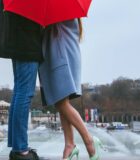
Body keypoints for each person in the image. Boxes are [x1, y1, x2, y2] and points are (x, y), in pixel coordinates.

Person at [38, 18, 102, 160]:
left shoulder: (58, 12)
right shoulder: (67, 13)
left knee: (61, 103)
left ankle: (89, 140)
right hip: (64, 54)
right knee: (61, 101)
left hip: (61, 57)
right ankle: (69, 144)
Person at [0, 0, 45, 160]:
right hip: (27, 43)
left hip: (16, 42)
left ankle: (17, 147)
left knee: (19, 93)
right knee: (24, 94)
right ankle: (21, 149)